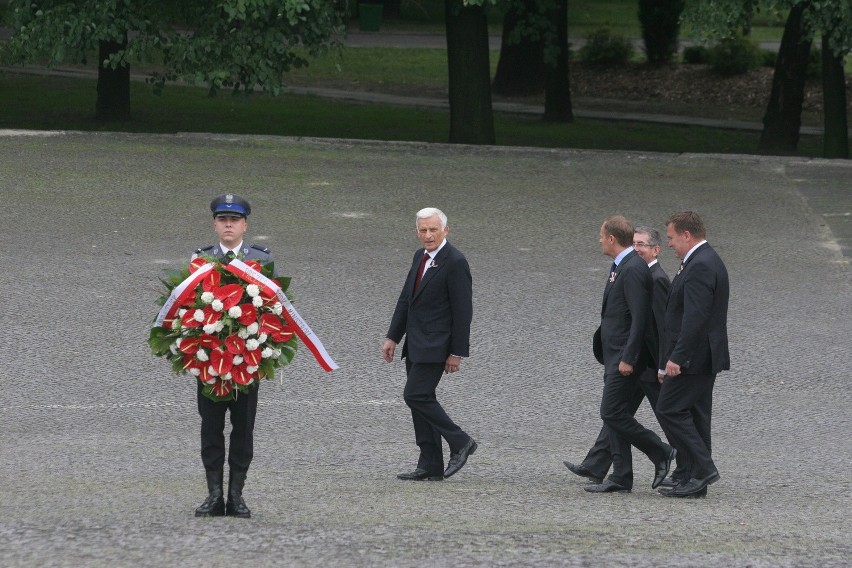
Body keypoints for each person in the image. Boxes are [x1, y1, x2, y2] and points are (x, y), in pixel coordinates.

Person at [564, 226, 683, 485]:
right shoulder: (631, 269)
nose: (637, 248)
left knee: (667, 417)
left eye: (642, 244)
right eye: (635, 243)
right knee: (617, 414)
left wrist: (660, 363)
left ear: (655, 249)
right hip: (633, 358)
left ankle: (684, 463)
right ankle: (606, 469)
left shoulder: (655, 278)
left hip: (647, 364)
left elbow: (659, 326)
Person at [191, 193, 274, 518]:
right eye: (223, 219)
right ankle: (214, 496)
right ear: (215, 224)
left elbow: (274, 309)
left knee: (243, 430)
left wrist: (267, 352)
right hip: (209, 365)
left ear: (244, 225)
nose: (228, 224)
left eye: (234, 220)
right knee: (210, 430)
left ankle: (236, 496)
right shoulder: (201, 259)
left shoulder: (262, 259)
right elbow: (188, 308)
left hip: (248, 364)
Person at [382, 207, 477, 481]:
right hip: (415, 343)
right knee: (422, 400)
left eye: (433, 229)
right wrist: (393, 336)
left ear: (445, 230)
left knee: (415, 395)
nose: (428, 235)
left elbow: (463, 311)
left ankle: (461, 442)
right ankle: (430, 462)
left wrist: (457, 352)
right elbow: (405, 299)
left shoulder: (456, 261)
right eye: (423, 230)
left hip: (438, 344)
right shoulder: (420, 257)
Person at [656, 211, 729, 498]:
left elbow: (695, 318)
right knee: (697, 416)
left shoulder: (700, 265)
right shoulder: (703, 260)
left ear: (687, 235)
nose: (670, 244)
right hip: (702, 355)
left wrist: (677, 357)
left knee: (669, 409)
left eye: (672, 238)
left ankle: (704, 468)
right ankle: (693, 477)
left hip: (694, 357)